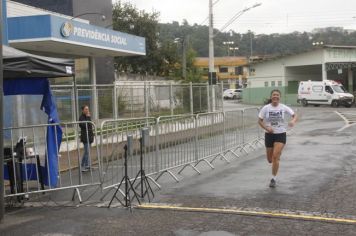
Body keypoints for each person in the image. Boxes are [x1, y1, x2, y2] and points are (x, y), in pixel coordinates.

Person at [258, 89, 297, 187]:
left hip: (281, 134)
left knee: (275, 156)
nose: (275, 96)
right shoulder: (266, 108)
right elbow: (259, 121)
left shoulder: (283, 107)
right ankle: (276, 155)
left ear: (280, 97)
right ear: (271, 97)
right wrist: (267, 128)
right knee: (270, 159)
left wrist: (293, 121)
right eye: (274, 95)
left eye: (277, 95)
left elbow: (294, 115)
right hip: (269, 135)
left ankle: (273, 179)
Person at [79, 105, 94, 172]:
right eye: (86, 109)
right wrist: (88, 118)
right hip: (85, 137)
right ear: (83, 110)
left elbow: (90, 125)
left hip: (89, 136)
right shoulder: (81, 118)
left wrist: (88, 118)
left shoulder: (88, 117)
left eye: (88, 109)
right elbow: (86, 126)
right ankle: (83, 166)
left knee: (87, 152)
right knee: (86, 152)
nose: (87, 110)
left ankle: (87, 165)